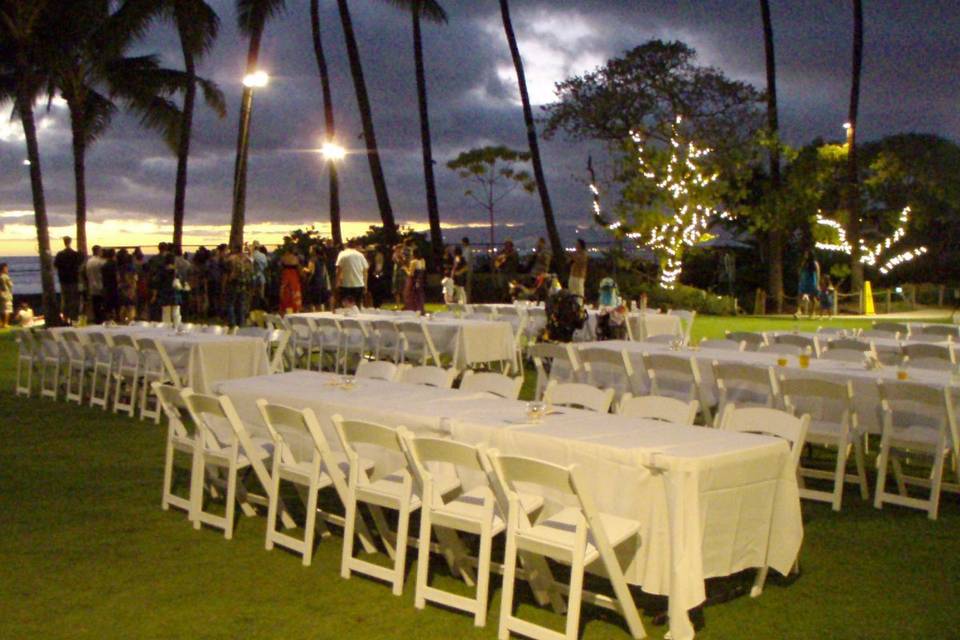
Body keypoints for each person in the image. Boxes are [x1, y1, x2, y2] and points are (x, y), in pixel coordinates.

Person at [54, 236, 82, 323]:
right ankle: (73, 319)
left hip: (63, 280)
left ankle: (65, 319)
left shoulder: (60, 254)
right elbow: (80, 264)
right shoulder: (75, 254)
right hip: (73, 280)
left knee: (65, 300)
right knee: (73, 300)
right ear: (70, 242)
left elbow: (55, 265)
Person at [223, 246, 253, 326]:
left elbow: (226, 274)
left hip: (232, 284)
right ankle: (241, 322)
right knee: (241, 304)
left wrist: (223, 286)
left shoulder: (231, 260)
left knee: (230, 304)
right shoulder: (247, 260)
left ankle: (232, 323)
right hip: (243, 285)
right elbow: (251, 273)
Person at [335, 239, 369, 308]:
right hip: (359, 283)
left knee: (347, 306)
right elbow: (365, 271)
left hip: (346, 284)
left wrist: (337, 282)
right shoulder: (360, 255)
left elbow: (338, 269)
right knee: (358, 305)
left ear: (347, 245)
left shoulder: (342, 254)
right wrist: (365, 284)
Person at [157, 254, 182, 326]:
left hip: (165, 293)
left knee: (166, 312)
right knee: (176, 312)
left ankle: (166, 327)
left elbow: (158, 281)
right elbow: (180, 280)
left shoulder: (162, 271)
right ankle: (177, 326)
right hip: (175, 293)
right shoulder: (176, 271)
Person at [303, 244, 331, 311]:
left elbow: (311, 271)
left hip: (314, 284)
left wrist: (303, 269)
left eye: (310, 249)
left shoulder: (312, 260)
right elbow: (324, 272)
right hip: (322, 283)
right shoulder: (322, 259)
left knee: (316, 304)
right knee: (321, 303)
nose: (309, 250)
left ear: (314, 251)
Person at [278, 246, 303, 315]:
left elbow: (279, 267)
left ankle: (284, 309)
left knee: (285, 293)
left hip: (285, 275)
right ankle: (295, 309)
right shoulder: (296, 258)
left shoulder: (283, 258)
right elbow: (299, 268)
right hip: (294, 275)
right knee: (294, 292)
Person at [84, 245, 106, 324]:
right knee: (102, 306)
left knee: (95, 306)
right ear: (98, 251)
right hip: (100, 286)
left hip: (92, 286)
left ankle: (97, 321)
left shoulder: (89, 262)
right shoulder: (101, 262)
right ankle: (102, 321)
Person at [117, 249, 138, 323]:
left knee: (122, 306)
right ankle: (130, 322)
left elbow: (118, 279)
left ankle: (122, 322)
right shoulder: (131, 268)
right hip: (129, 289)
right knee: (131, 307)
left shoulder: (119, 268)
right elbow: (133, 279)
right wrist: (132, 289)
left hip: (121, 288)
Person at [797, 252, 820, 318]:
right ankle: (799, 311)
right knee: (800, 295)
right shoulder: (804, 263)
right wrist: (800, 279)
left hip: (812, 281)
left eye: (807, 254)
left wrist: (817, 284)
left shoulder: (815, 263)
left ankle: (813, 312)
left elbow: (818, 273)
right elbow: (801, 271)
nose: (805, 255)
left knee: (812, 297)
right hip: (804, 280)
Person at [403, 246, 426, 313]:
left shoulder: (413, 262)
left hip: (413, 281)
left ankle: (412, 310)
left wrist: (405, 269)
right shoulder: (423, 260)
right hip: (420, 280)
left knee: (411, 296)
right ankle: (420, 309)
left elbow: (410, 273)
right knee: (419, 296)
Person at [101, 248, 119, 322]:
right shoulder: (115, 265)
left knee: (108, 307)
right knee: (116, 306)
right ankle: (117, 319)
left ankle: (108, 320)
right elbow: (117, 277)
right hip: (114, 287)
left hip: (106, 287)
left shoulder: (104, 265)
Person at [461, 237, 474, 301]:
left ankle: (467, 298)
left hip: (468, 269)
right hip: (467, 269)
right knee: (466, 285)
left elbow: (466, 260)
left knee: (467, 285)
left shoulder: (468, 250)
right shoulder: (466, 249)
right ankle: (466, 298)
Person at [0, 263, 13, 328]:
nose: (7, 269)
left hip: (1, 294)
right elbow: (11, 285)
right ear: (3, 269)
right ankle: (5, 324)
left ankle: (2, 323)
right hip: (6, 294)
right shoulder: (5, 276)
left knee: (2, 309)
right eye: (6, 268)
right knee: (7, 310)